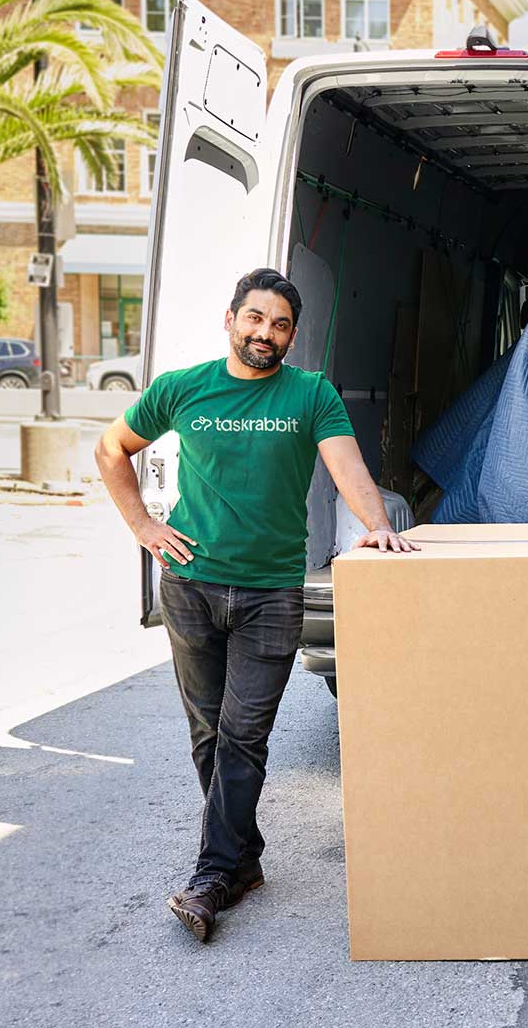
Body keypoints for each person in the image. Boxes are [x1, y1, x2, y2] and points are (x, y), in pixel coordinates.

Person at [94, 269, 418, 943]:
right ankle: (243, 860)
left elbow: (347, 468)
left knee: (243, 734)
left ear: (292, 335)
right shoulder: (183, 388)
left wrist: (375, 524)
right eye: (255, 318)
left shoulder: (310, 394)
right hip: (189, 584)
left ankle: (212, 877)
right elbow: (111, 449)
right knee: (209, 733)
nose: (265, 333)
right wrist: (144, 528)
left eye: (279, 324)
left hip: (271, 591)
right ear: (230, 318)